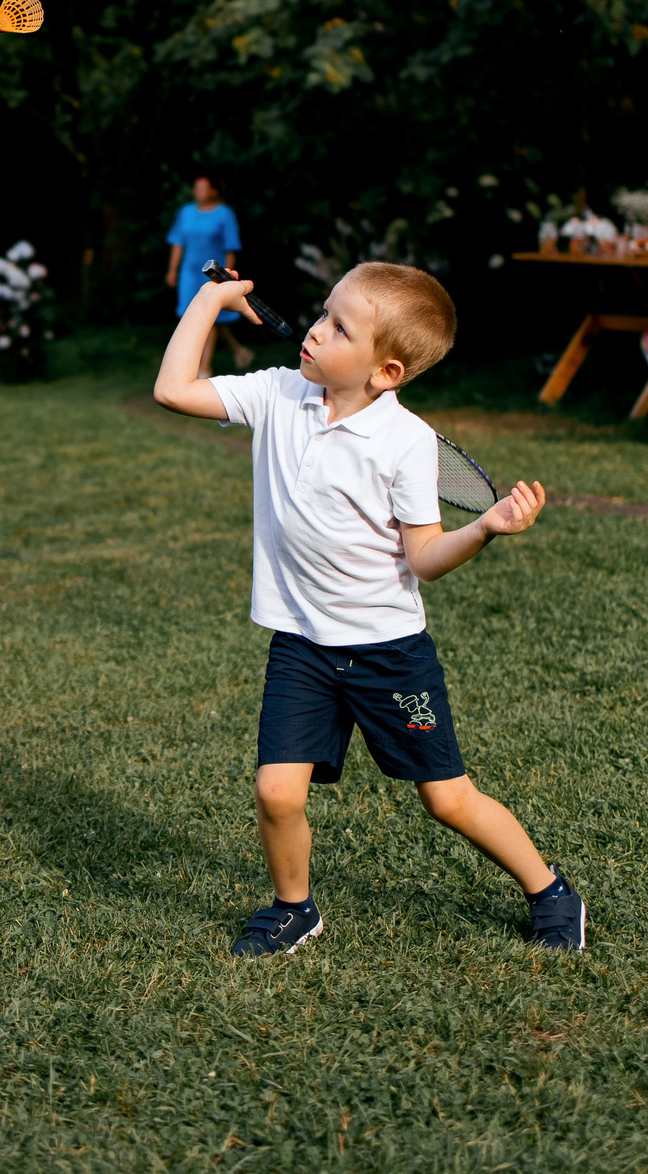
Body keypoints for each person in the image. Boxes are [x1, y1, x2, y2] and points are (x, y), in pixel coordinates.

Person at [153, 260, 586, 956]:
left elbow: (425, 557)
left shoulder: (406, 442)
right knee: (277, 792)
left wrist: (483, 528)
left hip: (388, 652)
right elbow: (173, 390)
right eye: (323, 314)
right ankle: (294, 908)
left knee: (446, 798)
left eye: (340, 328)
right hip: (302, 643)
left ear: (386, 372)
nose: (316, 331)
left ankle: (551, 891)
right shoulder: (278, 392)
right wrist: (211, 299)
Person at [165, 175, 253, 372]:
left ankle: (205, 367)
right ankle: (240, 351)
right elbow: (178, 242)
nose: (198, 192)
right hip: (189, 273)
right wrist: (172, 269)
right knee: (196, 316)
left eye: (203, 188)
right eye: (196, 188)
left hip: (212, 274)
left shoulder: (225, 214)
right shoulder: (186, 212)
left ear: (214, 191)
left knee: (209, 317)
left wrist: (227, 277)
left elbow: (231, 247)